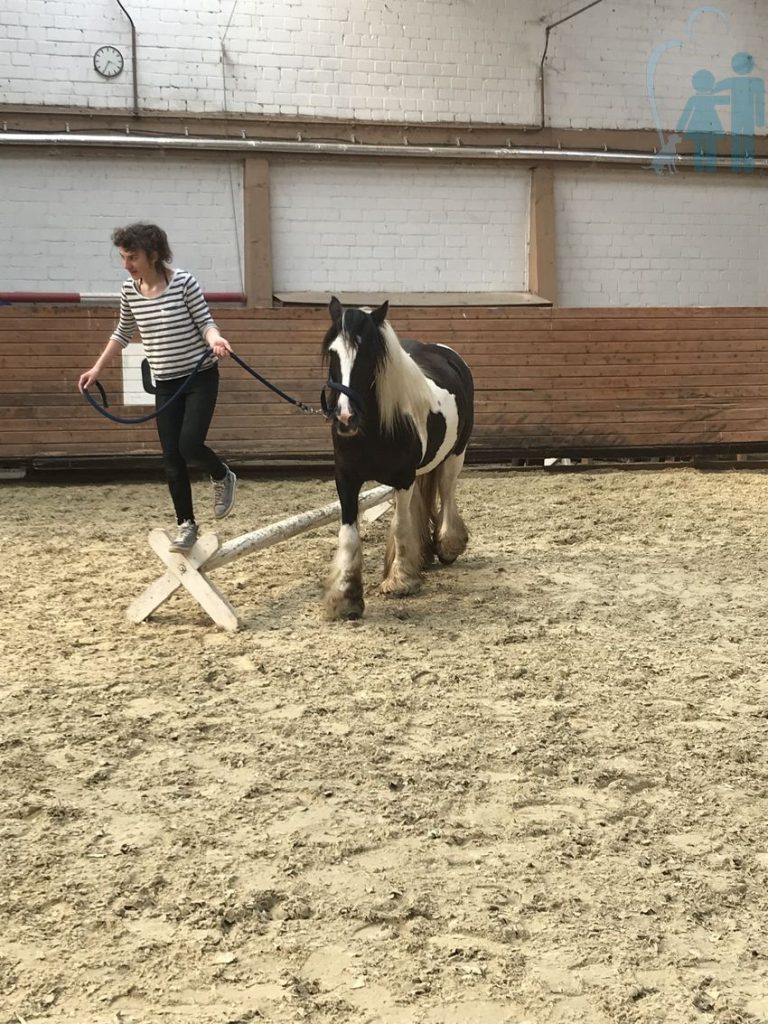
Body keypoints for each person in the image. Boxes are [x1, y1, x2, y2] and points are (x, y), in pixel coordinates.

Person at [78, 223, 237, 551]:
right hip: (165, 383)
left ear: (153, 255)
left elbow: (205, 322)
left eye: (133, 257)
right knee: (171, 457)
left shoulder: (183, 283)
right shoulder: (129, 290)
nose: (127, 265)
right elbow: (122, 332)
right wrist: (96, 369)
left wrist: (215, 339)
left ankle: (222, 475)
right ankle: (186, 524)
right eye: (123, 257)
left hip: (199, 377)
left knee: (189, 444)